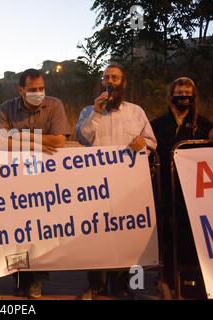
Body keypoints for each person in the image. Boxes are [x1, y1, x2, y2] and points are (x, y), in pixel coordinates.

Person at [76, 63, 157, 299]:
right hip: (95, 186)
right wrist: (96, 113)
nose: (110, 81)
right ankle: (96, 284)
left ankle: (123, 285)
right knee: (97, 233)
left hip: (127, 186)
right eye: (106, 77)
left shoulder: (136, 111)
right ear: (102, 82)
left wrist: (143, 144)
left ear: (123, 83)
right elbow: (82, 138)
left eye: (115, 77)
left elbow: (152, 142)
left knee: (126, 233)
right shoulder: (87, 111)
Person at [0, 68, 71, 298]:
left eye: (41, 89)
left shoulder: (54, 104)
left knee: (42, 230)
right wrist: (35, 143)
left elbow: (59, 140)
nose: (38, 93)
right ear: (21, 90)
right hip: (14, 181)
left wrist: (21, 138)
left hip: (44, 181)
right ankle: (20, 278)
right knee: (16, 231)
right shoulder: (6, 107)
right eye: (32, 89)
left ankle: (38, 279)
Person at [151, 77, 213, 298]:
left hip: (194, 194)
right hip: (166, 189)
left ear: (194, 97)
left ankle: (193, 277)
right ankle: (165, 277)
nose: (183, 96)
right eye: (179, 92)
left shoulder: (205, 125)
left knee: (189, 235)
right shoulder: (157, 124)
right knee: (166, 233)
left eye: (188, 92)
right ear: (171, 95)